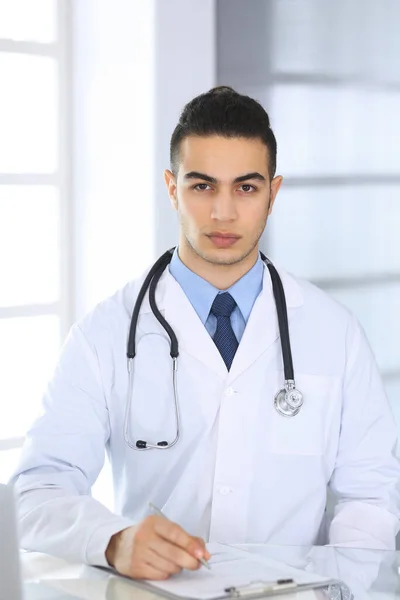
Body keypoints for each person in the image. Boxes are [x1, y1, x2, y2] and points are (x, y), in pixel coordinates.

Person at [11, 86, 400, 580]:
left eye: (246, 187)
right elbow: (36, 489)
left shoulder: (334, 332)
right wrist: (111, 540)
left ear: (272, 193)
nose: (223, 213)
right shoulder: (104, 334)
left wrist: (342, 585)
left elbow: (371, 491)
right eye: (202, 186)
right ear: (172, 188)